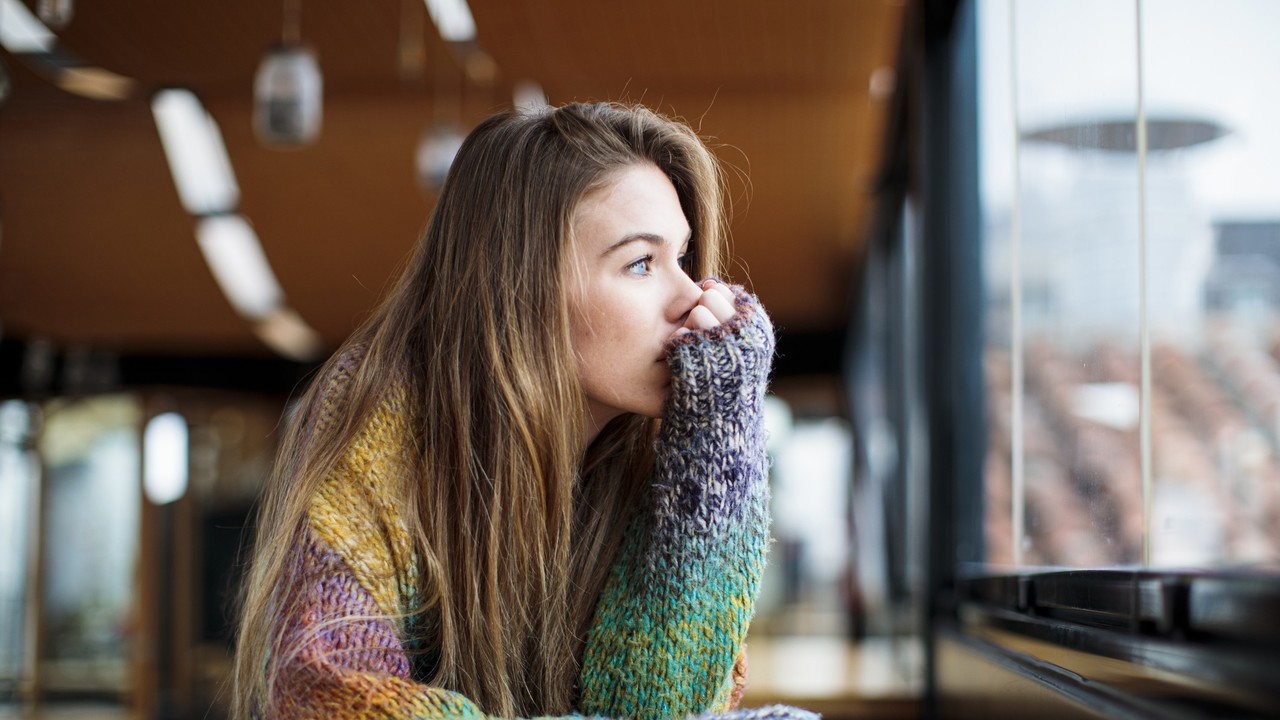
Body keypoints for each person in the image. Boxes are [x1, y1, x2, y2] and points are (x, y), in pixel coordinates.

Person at [231, 101, 816, 720]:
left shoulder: (664, 450)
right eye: (641, 263)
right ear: (522, 291)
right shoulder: (378, 426)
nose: (694, 297)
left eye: (683, 257)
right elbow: (322, 695)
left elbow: (662, 704)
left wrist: (720, 432)